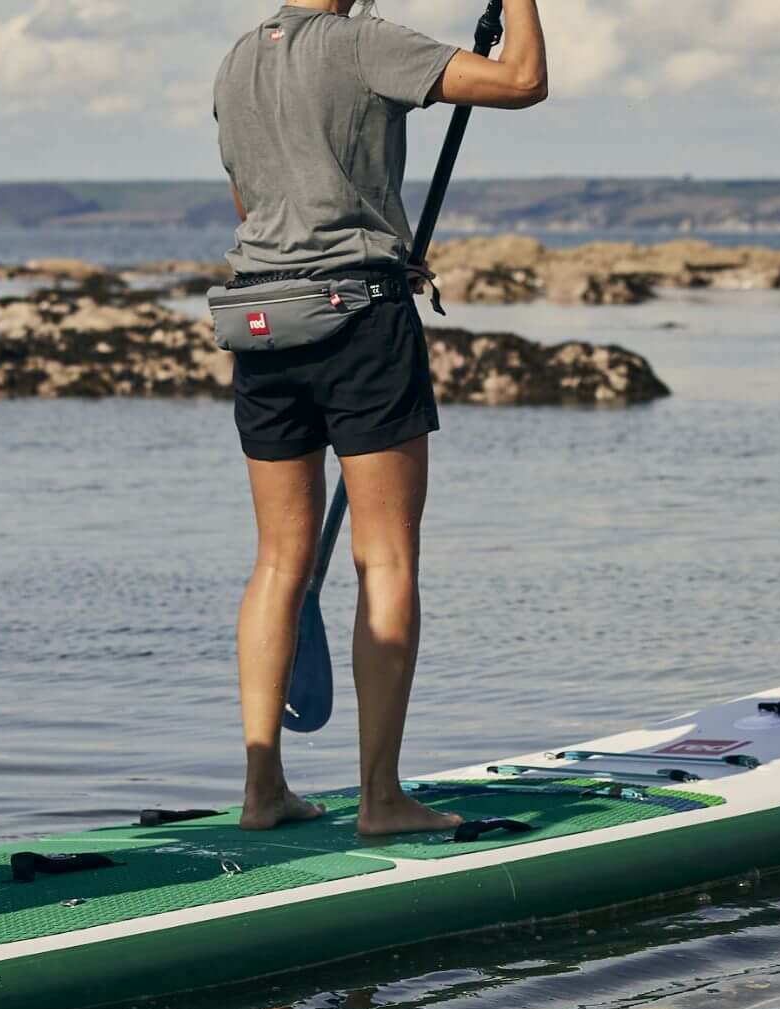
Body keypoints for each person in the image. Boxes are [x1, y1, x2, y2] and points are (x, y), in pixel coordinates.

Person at [210, 0, 547, 835]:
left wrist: (362, 228)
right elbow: (521, 81)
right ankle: (381, 798)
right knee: (386, 558)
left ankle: (261, 792)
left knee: (279, 561)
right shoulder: (365, 43)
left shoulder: (237, 61)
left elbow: (250, 202)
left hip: (260, 316)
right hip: (358, 318)